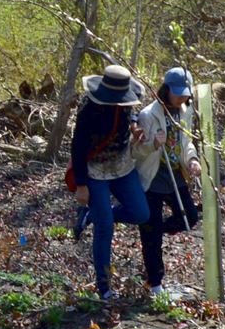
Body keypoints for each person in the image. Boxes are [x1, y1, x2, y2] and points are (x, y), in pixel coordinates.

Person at [65, 63, 151, 301]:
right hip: (95, 171)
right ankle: (104, 288)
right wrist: (81, 184)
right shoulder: (89, 109)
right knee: (106, 228)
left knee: (140, 212)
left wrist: (134, 127)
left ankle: (91, 215)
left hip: (122, 165)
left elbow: (131, 113)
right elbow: (78, 146)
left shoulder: (127, 102)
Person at [133, 67, 201, 296]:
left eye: (185, 93)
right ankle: (155, 284)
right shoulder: (148, 114)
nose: (182, 97)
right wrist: (152, 144)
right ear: (166, 90)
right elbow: (135, 153)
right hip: (151, 178)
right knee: (150, 236)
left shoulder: (184, 111)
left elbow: (187, 142)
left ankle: (155, 230)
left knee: (190, 217)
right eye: (177, 92)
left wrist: (192, 160)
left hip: (176, 176)